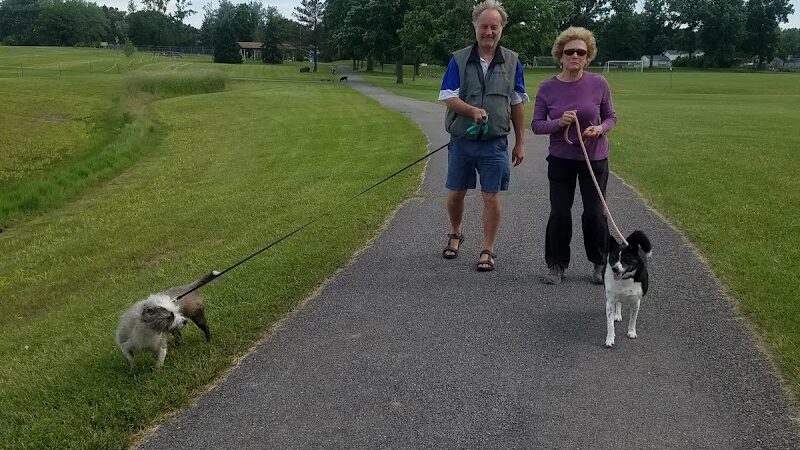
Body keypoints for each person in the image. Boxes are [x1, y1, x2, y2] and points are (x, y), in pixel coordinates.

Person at [438, 0, 528, 272]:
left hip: (495, 143)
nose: (489, 32)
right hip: (462, 140)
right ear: (475, 27)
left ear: (501, 29)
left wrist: (520, 142)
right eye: (484, 26)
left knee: (491, 196)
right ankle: (456, 233)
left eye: (494, 26)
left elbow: (517, 103)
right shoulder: (459, 59)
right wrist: (471, 110)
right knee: (456, 192)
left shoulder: (513, 61)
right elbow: (448, 97)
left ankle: (488, 249)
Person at [531, 26, 617, 285]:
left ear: (588, 56)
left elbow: (612, 118)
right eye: (570, 52)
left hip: (594, 159)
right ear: (560, 56)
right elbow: (536, 125)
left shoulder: (599, 83)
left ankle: (599, 262)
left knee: (594, 213)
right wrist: (558, 122)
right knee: (559, 212)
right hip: (561, 159)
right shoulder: (547, 88)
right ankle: (556, 264)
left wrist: (599, 128)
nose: (575, 56)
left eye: (581, 52)